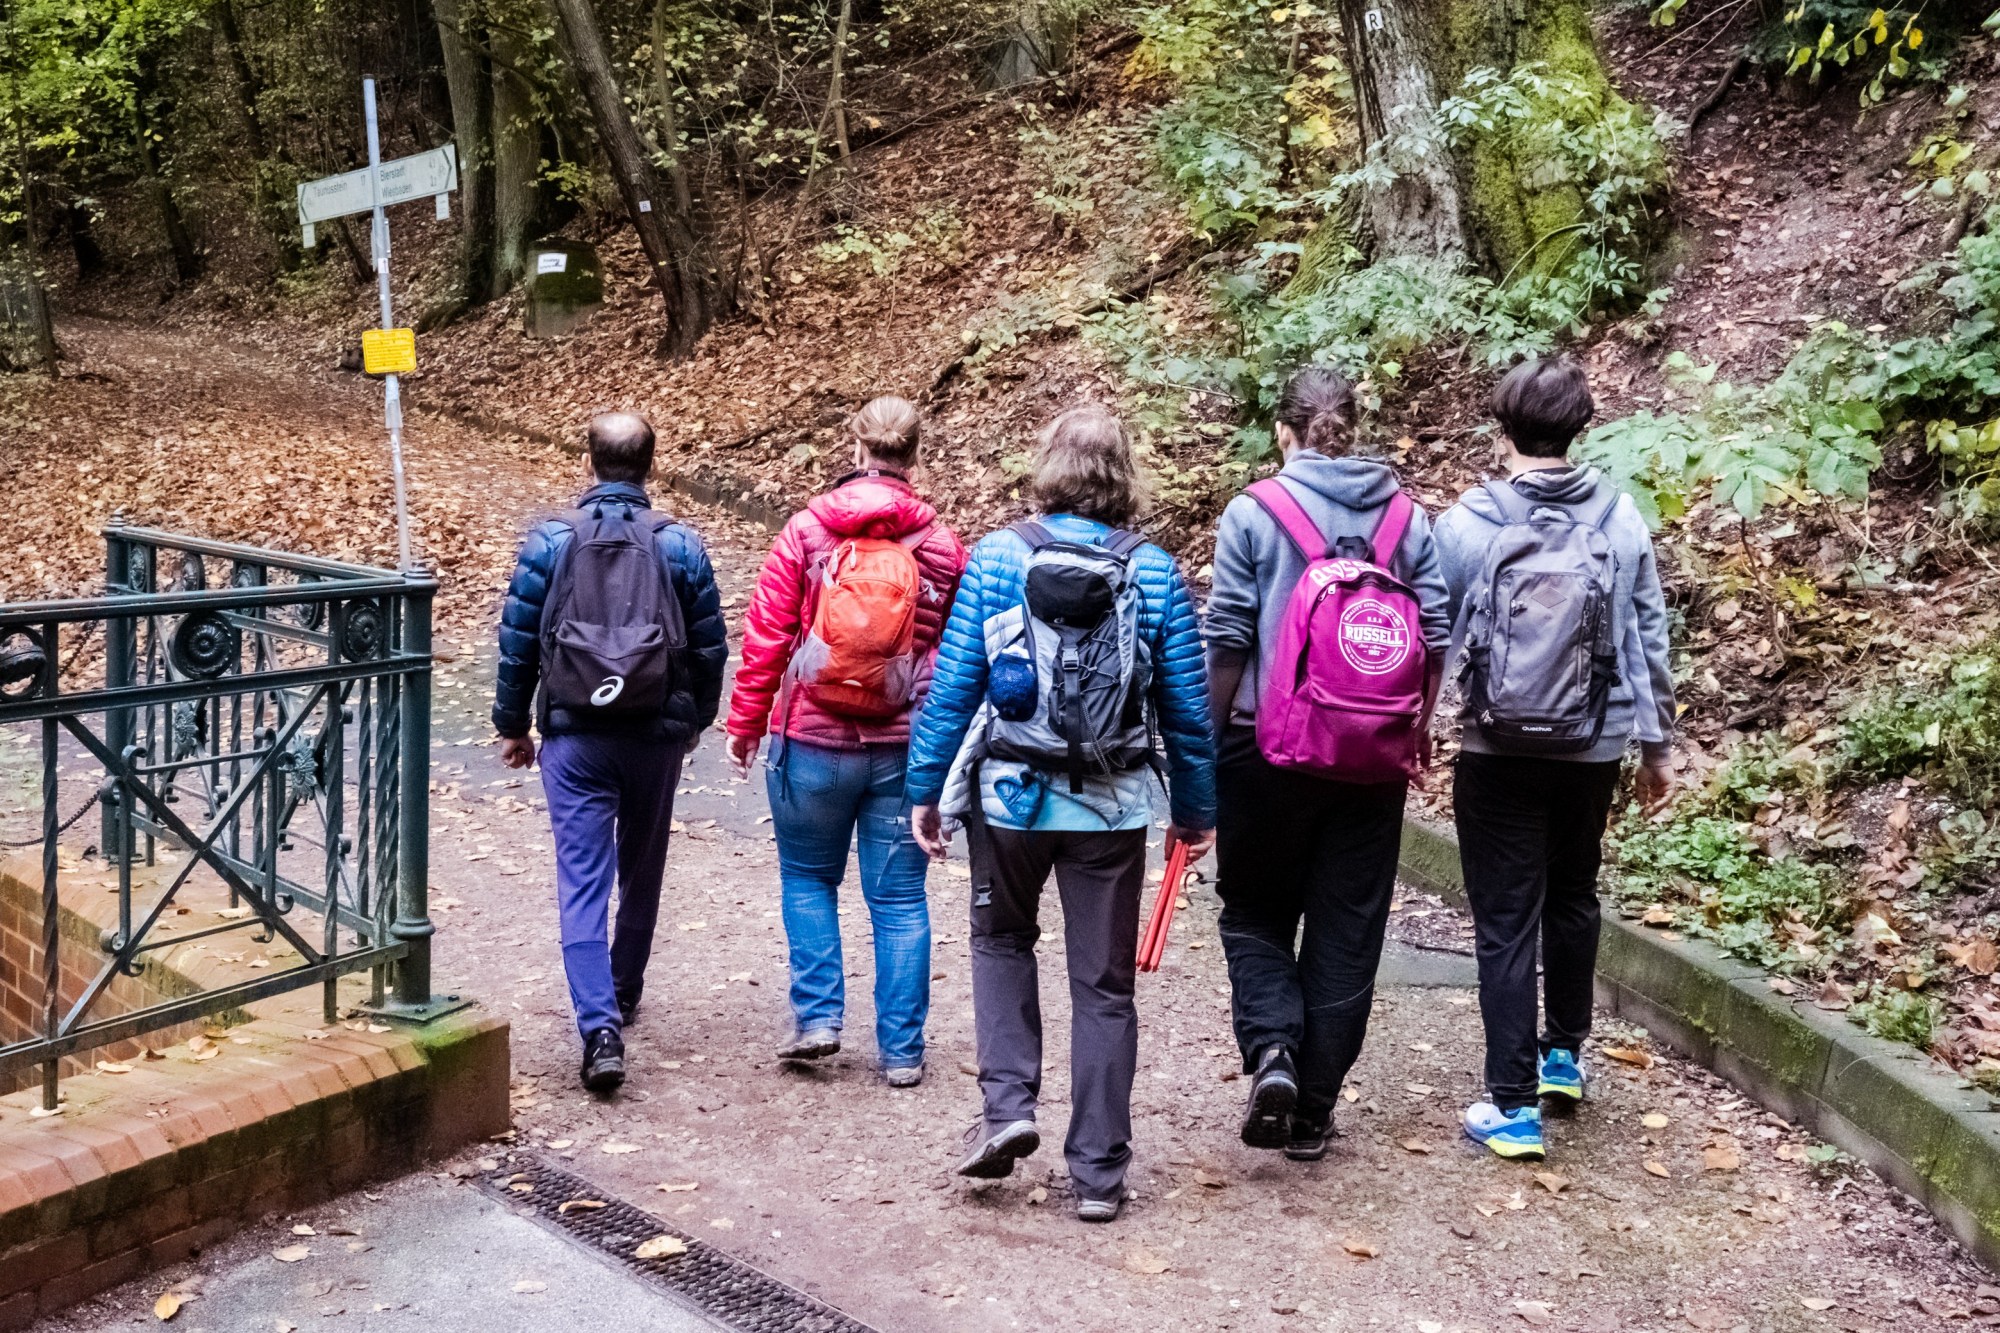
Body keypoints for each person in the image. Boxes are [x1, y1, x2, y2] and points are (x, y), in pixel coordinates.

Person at [904, 405, 1216, 1224]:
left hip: (1010, 797)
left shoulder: (1000, 555)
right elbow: (1186, 711)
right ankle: (1100, 1172)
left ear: (1046, 468)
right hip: (1110, 807)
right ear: (1125, 477)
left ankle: (1008, 1108)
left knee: (1001, 940)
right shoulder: (1153, 571)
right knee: (1105, 986)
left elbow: (955, 684)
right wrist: (1195, 810)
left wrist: (925, 788)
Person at [1202, 366, 1451, 1162]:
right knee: (1348, 925)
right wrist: (1415, 728)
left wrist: (1205, 745)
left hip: (1262, 748)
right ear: (1355, 429)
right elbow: (1436, 634)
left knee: (1254, 909)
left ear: (1284, 431)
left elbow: (1229, 637)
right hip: (1371, 757)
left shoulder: (1254, 511)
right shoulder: (1408, 519)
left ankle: (1274, 1047)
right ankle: (1312, 1111)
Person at [1433, 358, 1676, 1161]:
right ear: (1580, 427)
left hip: (1495, 745)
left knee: (1505, 918)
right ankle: (1562, 1057)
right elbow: (1647, 636)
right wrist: (1657, 745)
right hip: (1592, 743)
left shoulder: (1469, 522)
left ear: (1503, 426)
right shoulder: (1619, 517)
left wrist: (1423, 723)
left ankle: (1511, 1104)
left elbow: (1433, 629)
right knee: (1573, 889)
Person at [725, 396, 967, 1085]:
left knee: (808, 878)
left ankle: (819, 1020)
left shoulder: (806, 532)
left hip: (811, 740)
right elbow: (958, 660)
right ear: (914, 455)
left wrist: (745, 724)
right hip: (903, 748)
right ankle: (902, 1053)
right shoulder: (943, 548)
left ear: (857, 448)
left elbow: (767, 637)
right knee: (899, 899)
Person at [494, 411, 728, 1094]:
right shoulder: (679, 544)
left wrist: (514, 724)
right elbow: (710, 647)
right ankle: (624, 990)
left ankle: (599, 1028)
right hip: (656, 734)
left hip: (576, 736)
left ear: (587, 463)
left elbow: (518, 640)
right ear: (651, 466)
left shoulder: (551, 539)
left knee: (582, 878)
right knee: (642, 867)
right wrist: (694, 722)